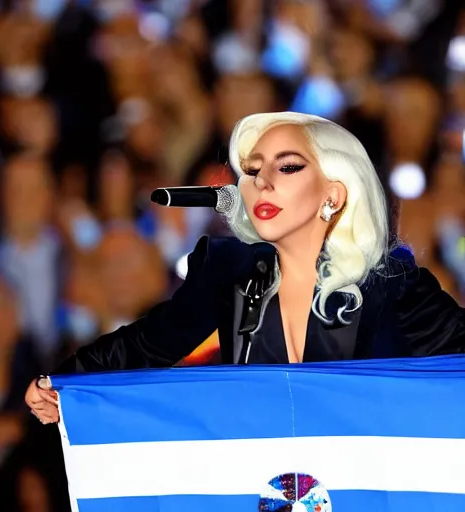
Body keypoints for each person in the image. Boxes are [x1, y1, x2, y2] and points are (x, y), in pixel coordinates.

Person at [25, 111, 465, 424]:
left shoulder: (394, 283)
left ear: (334, 194)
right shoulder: (227, 269)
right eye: (252, 170)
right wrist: (61, 384)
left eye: (287, 166)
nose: (262, 182)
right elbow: (145, 346)